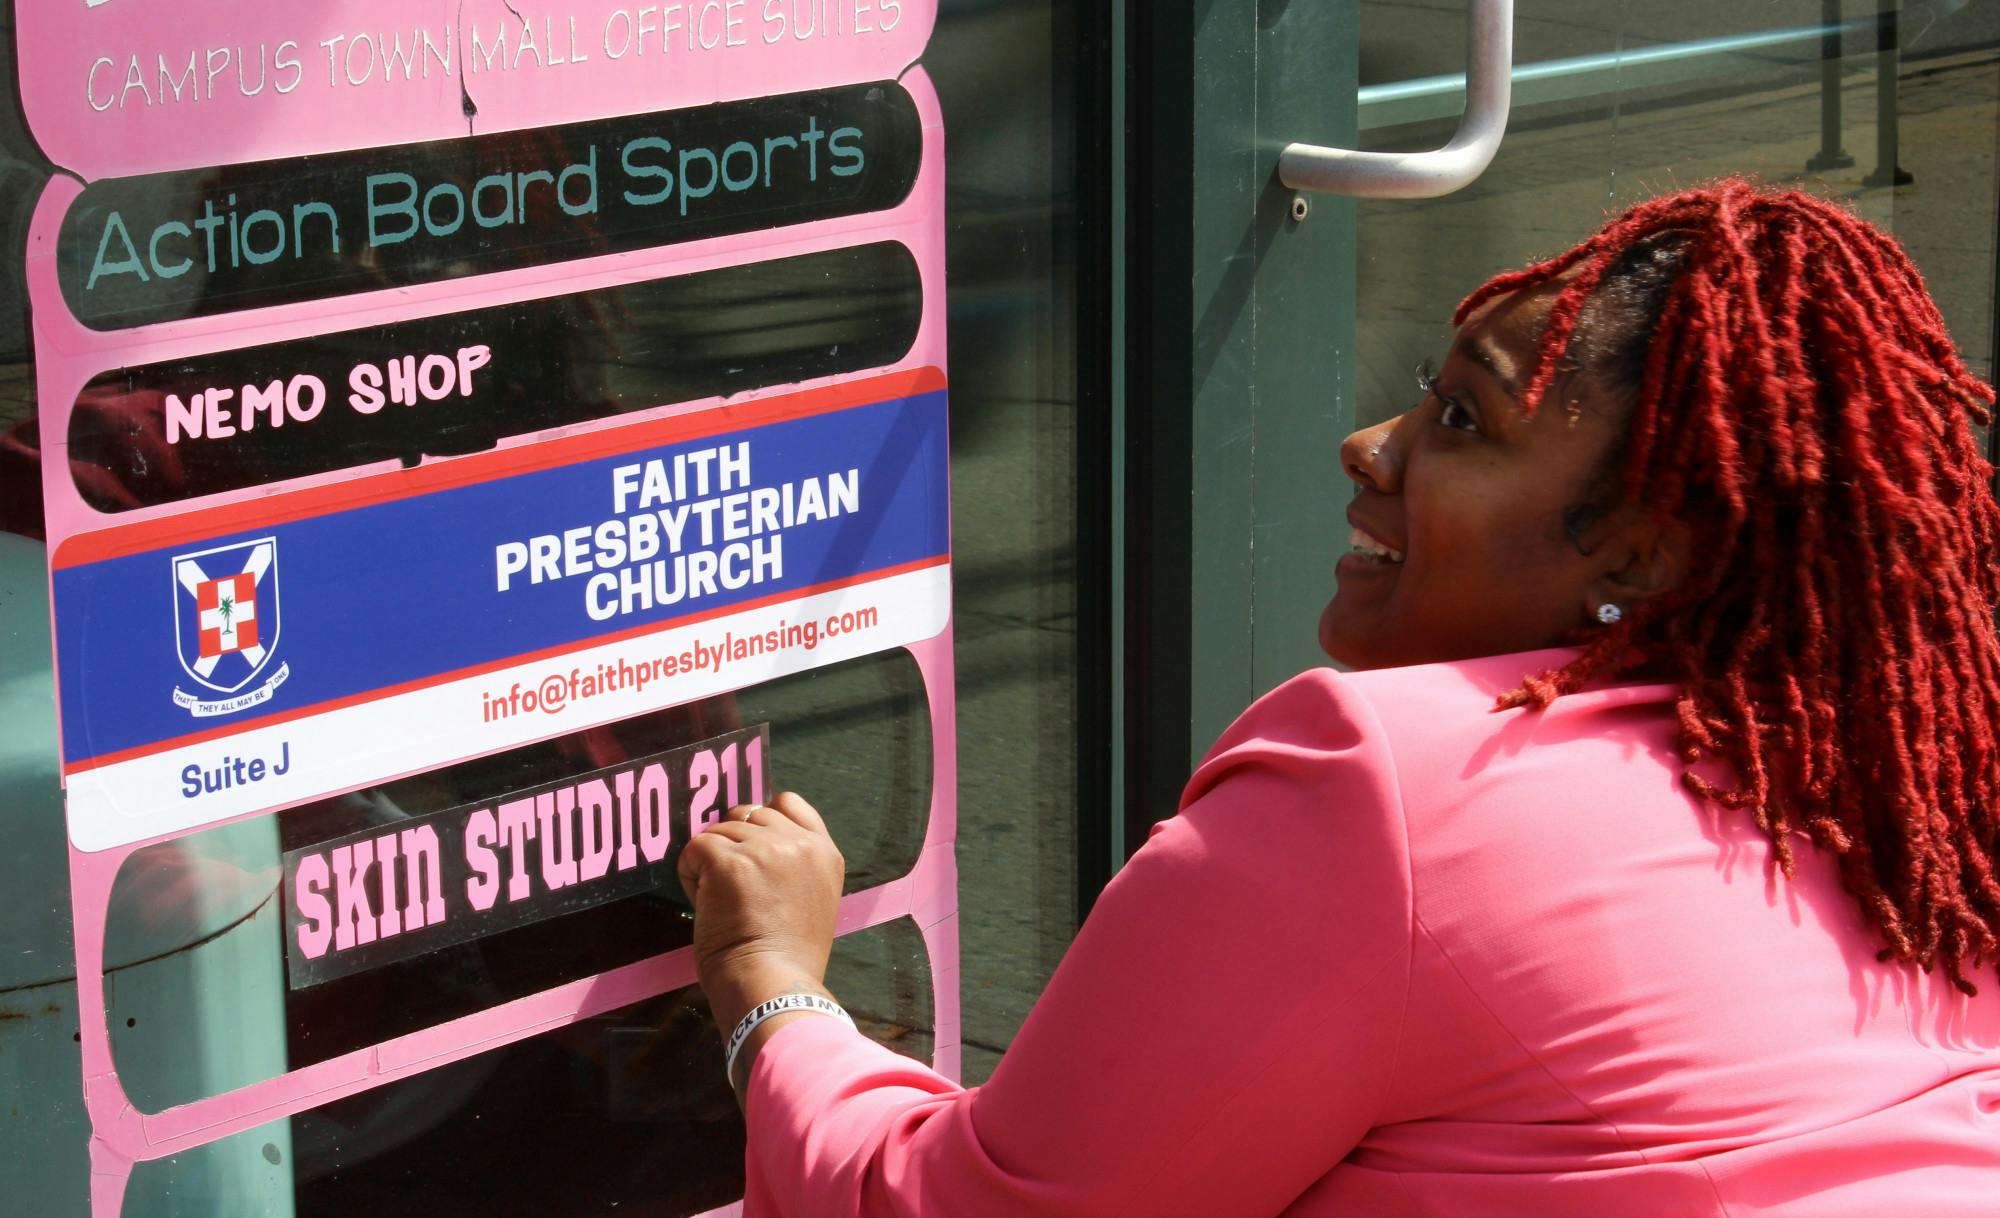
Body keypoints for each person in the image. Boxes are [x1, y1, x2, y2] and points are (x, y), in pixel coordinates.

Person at [674, 180, 2000, 1216]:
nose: (1372, 446)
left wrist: (771, 983)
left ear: (1645, 552)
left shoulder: (1393, 784)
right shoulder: (1903, 797)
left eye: (1465, 424)